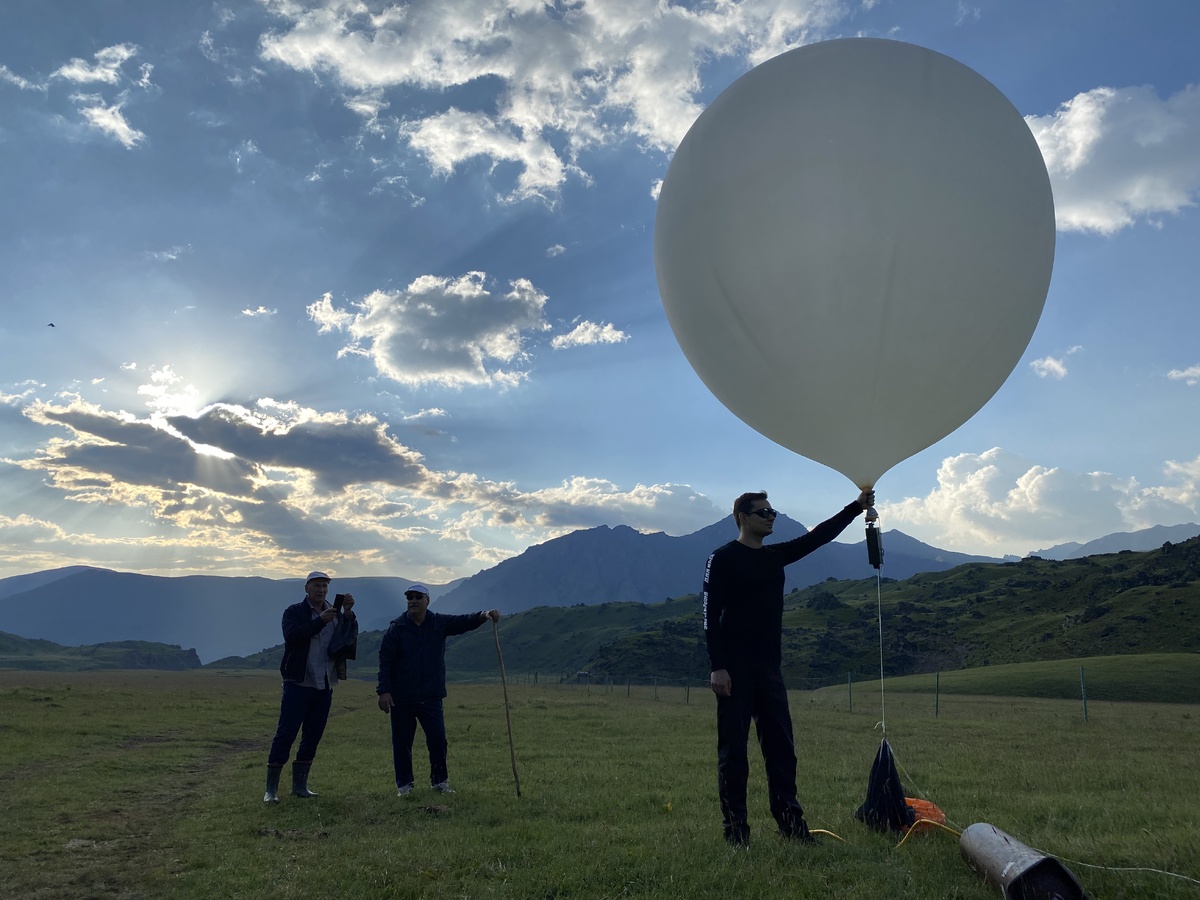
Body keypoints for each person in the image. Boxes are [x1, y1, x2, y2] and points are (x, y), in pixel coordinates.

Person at [703, 488, 874, 846]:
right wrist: (718, 667)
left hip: (769, 671)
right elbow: (709, 616)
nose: (771, 517)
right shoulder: (722, 559)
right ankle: (736, 833)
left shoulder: (775, 556)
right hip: (734, 671)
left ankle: (791, 826)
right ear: (743, 517)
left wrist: (857, 508)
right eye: (763, 512)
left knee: (782, 750)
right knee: (733, 753)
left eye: (772, 511)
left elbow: (818, 536)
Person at [376, 584, 500, 796]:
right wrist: (384, 691)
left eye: (418, 597)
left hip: (431, 695)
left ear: (427, 601)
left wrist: (483, 615)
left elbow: (462, 622)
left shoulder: (438, 623)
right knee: (402, 743)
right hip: (402, 697)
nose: (413, 601)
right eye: (409, 598)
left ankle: (439, 781)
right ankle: (404, 786)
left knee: (437, 740)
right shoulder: (397, 628)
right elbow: (385, 661)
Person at [263, 571, 358, 803]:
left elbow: (348, 639)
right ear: (306, 588)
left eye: (325, 586)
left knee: (313, 735)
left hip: (324, 683)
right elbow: (293, 637)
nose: (321, 590)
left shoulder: (335, 613)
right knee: (286, 734)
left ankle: (300, 787)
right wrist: (319, 622)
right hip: (298, 682)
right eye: (317, 585)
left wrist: (347, 613)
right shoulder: (294, 612)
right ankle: (271, 790)